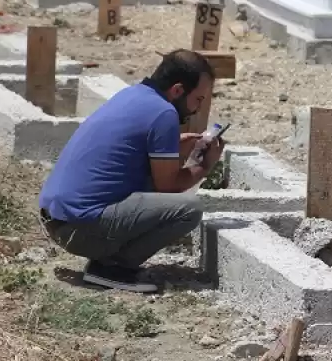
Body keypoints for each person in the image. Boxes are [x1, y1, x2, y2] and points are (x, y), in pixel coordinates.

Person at [38, 49, 225, 293]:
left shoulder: (132, 94)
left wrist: (171, 148)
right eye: (198, 99)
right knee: (189, 210)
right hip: (78, 229)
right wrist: (204, 165)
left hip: (56, 218)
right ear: (178, 90)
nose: (197, 109)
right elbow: (167, 187)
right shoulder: (164, 113)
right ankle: (112, 268)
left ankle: (106, 261)